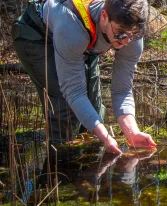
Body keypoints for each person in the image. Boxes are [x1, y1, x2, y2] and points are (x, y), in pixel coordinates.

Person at [12, 0, 156, 153]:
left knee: (94, 111)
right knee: (65, 109)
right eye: (120, 33)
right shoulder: (71, 28)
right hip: (37, 35)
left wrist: (132, 132)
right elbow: (74, 91)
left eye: (134, 34)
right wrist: (105, 136)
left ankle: (90, 167)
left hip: (84, 40)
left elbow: (122, 90)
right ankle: (61, 162)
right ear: (104, 16)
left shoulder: (130, 30)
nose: (127, 41)